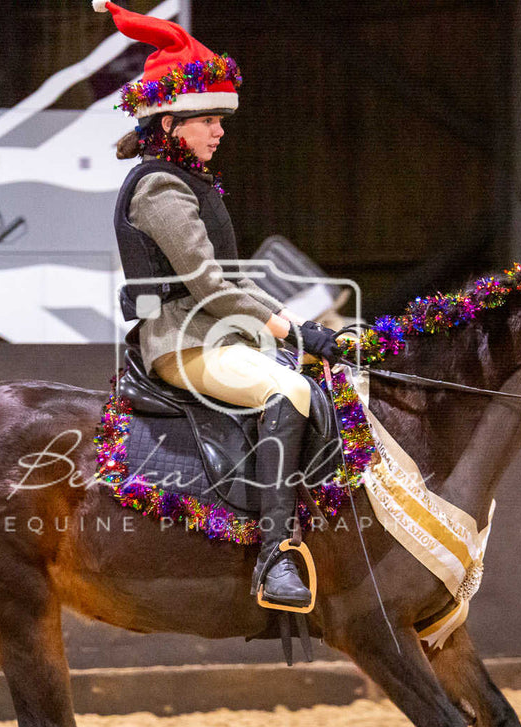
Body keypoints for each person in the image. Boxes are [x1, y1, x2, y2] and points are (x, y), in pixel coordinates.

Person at [95, 0, 342, 610]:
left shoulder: (191, 185)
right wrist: (288, 328)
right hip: (182, 343)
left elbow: (234, 280)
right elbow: (207, 284)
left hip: (217, 335)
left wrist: (299, 327)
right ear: (175, 122)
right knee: (290, 393)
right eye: (210, 120)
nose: (220, 130)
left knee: (320, 381)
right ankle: (274, 556)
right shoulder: (159, 187)